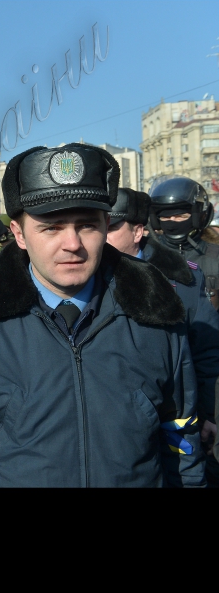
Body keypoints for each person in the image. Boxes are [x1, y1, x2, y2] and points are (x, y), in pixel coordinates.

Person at [0, 144, 204, 487]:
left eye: (86, 225)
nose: (72, 243)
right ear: (20, 234)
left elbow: (181, 440)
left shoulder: (155, 307)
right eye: (51, 227)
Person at [107, 187, 219, 483]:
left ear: (138, 231)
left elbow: (207, 353)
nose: (101, 237)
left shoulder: (183, 279)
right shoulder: (84, 278)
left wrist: (209, 414)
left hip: (177, 423)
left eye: (112, 228)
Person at [149, 176, 219, 310]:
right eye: (165, 217)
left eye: (181, 216)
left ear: (199, 217)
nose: (172, 221)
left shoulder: (215, 256)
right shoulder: (147, 254)